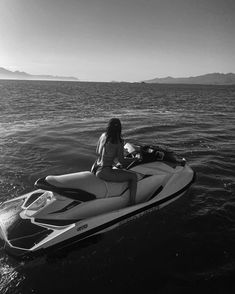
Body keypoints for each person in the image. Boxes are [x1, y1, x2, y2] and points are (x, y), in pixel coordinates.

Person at [92, 118, 138, 205]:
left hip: (95, 167)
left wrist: (111, 158)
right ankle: (132, 203)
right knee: (133, 177)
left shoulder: (103, 136)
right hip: (105, 171)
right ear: (120, 128)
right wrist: (136, 158)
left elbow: (97, 151)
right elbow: (122, 160)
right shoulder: (118, 141)